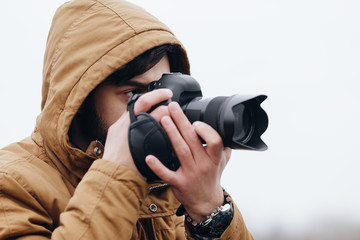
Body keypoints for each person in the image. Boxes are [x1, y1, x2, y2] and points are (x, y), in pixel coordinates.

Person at [0, 0, 253, 239]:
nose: (158, 110)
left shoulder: (171, 190)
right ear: (81, 100)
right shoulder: (12, 184)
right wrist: (116, 177)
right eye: (134, 94)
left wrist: (211, 212)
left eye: (164, 92)